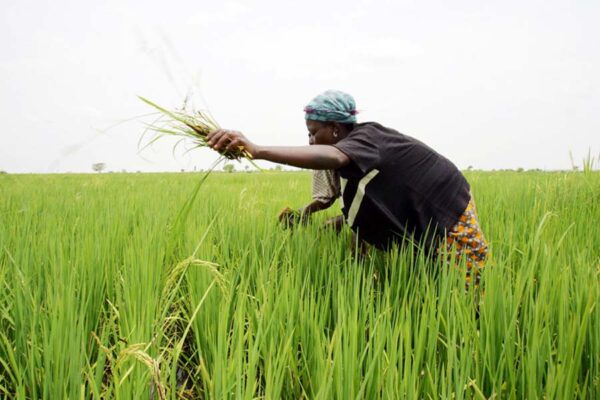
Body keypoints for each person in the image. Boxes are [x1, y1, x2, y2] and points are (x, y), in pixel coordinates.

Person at [207, 90, 488, 288]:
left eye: (314, 132)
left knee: (469, 286)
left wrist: (257, 150)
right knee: (428, 274)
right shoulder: (354, 160)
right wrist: (315, 217)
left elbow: (333, 157)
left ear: (336, 129)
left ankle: (481, 325)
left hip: (448, 206)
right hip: (417, 212)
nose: (310, 141)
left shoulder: (366, 138)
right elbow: (357, 206)